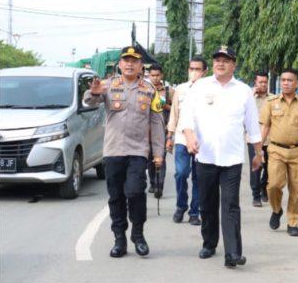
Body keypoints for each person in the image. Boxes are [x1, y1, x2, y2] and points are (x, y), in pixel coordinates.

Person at [181, 46, 263, 268]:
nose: (220, 63)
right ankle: (209, 243)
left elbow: (253, 125)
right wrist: (190, 138)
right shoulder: (200, 87)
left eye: (226, 60)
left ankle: (233, 253)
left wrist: (258, 152)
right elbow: (187, 118)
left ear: (233, 64)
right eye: (217, 59)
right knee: (208, 204)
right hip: (205, 157)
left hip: (232, 159)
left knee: (230, 205)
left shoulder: (244, 91)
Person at [82, 46, 165, 258]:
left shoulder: (149, 90)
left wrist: (158, 152)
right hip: (113, 151)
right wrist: (93, 92)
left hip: (138, 151)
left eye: (134, 61)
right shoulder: (108, 85)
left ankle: (138, 234)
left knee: (136, 192)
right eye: (125, 60)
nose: (129, 64)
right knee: (116, 196)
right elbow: (88, 101)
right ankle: (119, 238)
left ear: (140, 66)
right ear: (120, 64)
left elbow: (156, 122)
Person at [260, 68, 298, 236]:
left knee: (296, 189)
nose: (285, 83)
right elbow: (265, 126)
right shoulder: (271, 103)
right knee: (273, 185)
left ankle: (293, 222)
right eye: (283, 80)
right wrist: (258, 150)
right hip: (276, 150)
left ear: (296, 84)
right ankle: (276, 209)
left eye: (289, 80)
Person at [166, 55, 208, 224]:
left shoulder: (210, 90)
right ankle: (181, 205)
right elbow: (174, 114)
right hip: (182, 139)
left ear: (205, 72)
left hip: (203, 141)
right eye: (191, 69)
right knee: (181, 173)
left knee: (199, 177)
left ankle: (194, 212)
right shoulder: (181, 89)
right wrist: (169, 136)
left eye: (198, 69)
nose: (194, 72)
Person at [248, 73, 274, 207]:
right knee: (256, 167)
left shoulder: (273, 98)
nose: (263, 85)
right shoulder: (249, 97)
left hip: (271, 139)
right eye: (260, 82)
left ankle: (264, 187)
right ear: (255, 82)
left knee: (270, 168)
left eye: (265, 82)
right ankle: (256, 195)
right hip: (253, 139)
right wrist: (251, 94)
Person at [146, 64, 172, 197]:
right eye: (152, 75)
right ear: (148, 76)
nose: (155, 78)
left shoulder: (168, 91)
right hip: (147, 132)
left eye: (157, 75)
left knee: (160, 158)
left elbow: (175, 109)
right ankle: (152, 182)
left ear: (161, 76)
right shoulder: (144, 90)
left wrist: (165, 105)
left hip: (163, 130)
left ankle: (159, 186)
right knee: (150, 159)